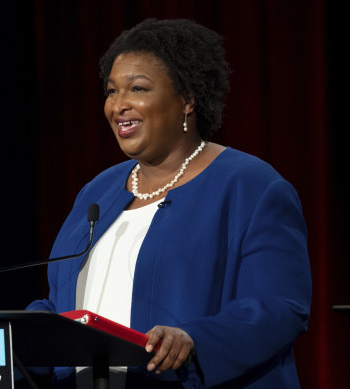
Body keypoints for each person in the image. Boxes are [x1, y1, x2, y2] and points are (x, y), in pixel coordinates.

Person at [27, 18, 311, 388]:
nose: (118, 105)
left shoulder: (250, 186)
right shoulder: (98, 191)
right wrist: (25, 329)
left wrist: (195, 341)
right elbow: (66, 300)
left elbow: (279, 307)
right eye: (112, 91)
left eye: (138, 89)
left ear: (187, 99)